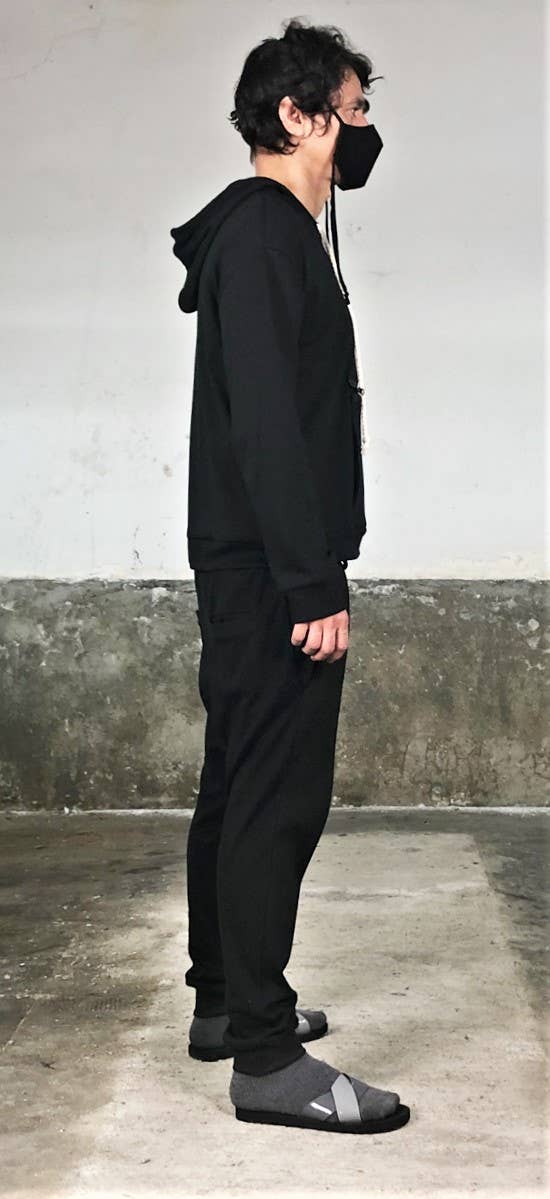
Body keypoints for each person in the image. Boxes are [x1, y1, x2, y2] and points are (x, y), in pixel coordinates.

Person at [169, 17, 410, 1134]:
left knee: (237, 785)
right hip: (274, 576)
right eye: (351, 112)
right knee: (278, 801)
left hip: (251, 564)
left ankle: (225, 1000)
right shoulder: (267, 237)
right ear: (297, 116)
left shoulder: (269, 235)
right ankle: (267, 1059)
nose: (363, 131)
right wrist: (313, 583)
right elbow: (267, 423)